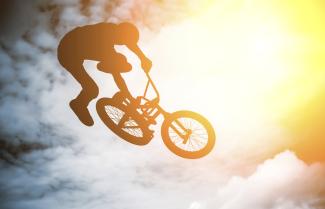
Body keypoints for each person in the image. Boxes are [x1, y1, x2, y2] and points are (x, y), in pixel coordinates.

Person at [57, 22, 152, 126]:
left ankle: (106, 67)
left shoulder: (113, 32)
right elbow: (117, 75)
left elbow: (131, 44)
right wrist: (127, 94)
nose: (122, 44)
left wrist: (143, 58)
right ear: (122, 33)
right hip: (67, 51)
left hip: (74, 48)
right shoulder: (106, 36)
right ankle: (78, 104)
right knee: (92, 89)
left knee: (95, 85)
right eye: (123, 41)